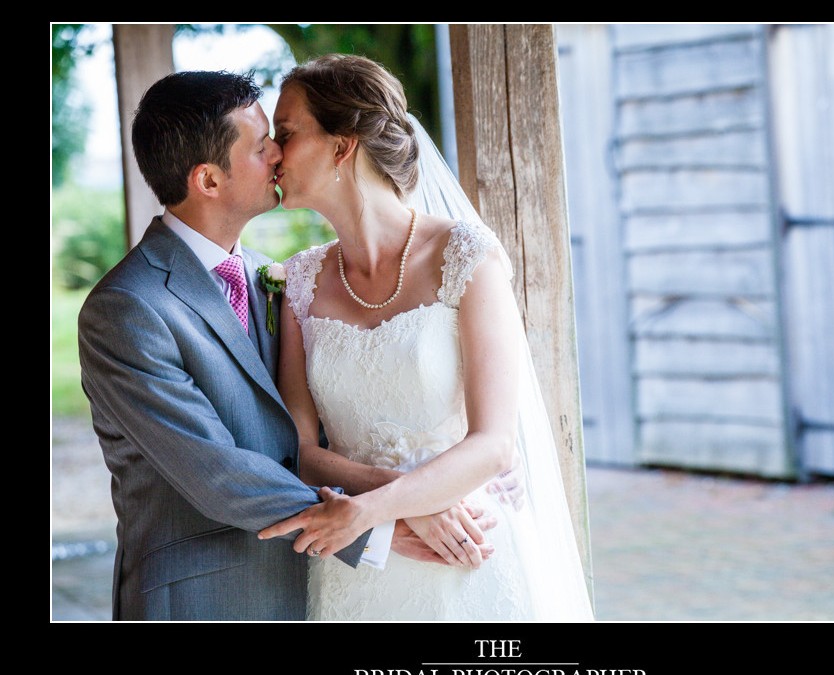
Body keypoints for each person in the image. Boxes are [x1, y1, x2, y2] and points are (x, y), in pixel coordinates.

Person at [76, 70, 493, 621]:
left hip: (315, 589)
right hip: (204, 598)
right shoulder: (128, 309)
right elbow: (215, 470)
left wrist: (413, 491)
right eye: (260, 144)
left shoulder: (275, 281)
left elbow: (310, 433)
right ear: (208, 180)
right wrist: (379, 524)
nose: (278, 153)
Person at [258, 54, 595, 621]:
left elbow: (494, 444)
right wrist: (398, 504)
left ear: (343, 147)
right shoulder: (297, 283)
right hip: (361, 564)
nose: (272, 152)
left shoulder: (466, 256)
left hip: (467, 544)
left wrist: (374, 509)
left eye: (286, 133)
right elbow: (303, 452)